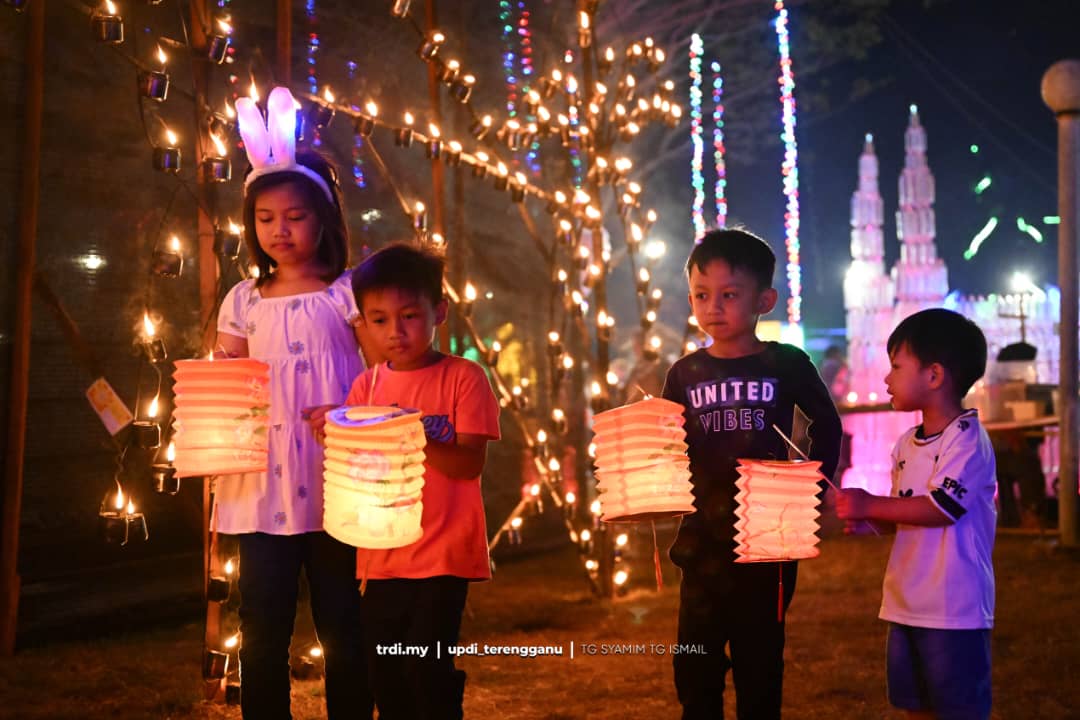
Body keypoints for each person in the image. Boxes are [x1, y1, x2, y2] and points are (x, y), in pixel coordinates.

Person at [215, 86, 373, 719]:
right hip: (259, 490)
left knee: (342, 618)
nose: (279, 230)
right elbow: (224, 380)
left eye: (295, 216)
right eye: (264, 218)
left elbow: (379, 375)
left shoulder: (347, 294)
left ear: (324, 217)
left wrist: (352, 417)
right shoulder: (243, 301)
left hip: (336, 481)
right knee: (263, 622)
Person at [661, 228, 842, 719]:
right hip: (700, 541)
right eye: (702, 295)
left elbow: (826, 423)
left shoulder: (786, 362)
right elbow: (667, 444)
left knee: (759, 662)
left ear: (764, 299)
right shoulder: (684, 373)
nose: (712, 306)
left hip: (768, 537)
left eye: (729, 294)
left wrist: (816, 484)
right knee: (694, 664)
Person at [346, 243, 501, 720]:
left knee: (424, 667)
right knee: (384, 672)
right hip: (384, 557)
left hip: (443, 553)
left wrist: (406, 432)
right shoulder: (366, 388)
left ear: (439, 311)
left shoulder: (464, 379)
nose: (395, 332)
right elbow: (357, 470)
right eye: (378, 319)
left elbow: (467, 465)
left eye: (409, 315)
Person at [836, 308, 996, 720]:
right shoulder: (907, 443)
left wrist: (870, 503)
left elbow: (942, 507)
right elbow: (906, 511)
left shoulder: (966, 439)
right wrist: (872, 519)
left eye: (896, 366)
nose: (887, 378)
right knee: (914, 703)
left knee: (956, 706)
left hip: (952, 607)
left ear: (934, 375)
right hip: (905, 600)